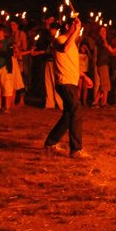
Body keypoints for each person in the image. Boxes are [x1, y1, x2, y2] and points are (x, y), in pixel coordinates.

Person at [43, 15, 92, 160]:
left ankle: (50, 143)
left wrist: (84, 76)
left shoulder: (72, 44)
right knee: (77, 110)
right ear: (67, 26)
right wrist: (76, 31)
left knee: (69, 115)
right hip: (64, 83)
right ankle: (76, 149)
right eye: (73, 26)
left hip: (72, 82)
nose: (77, 29)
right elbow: (65, 48)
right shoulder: (59, 40)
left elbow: (71, 64)